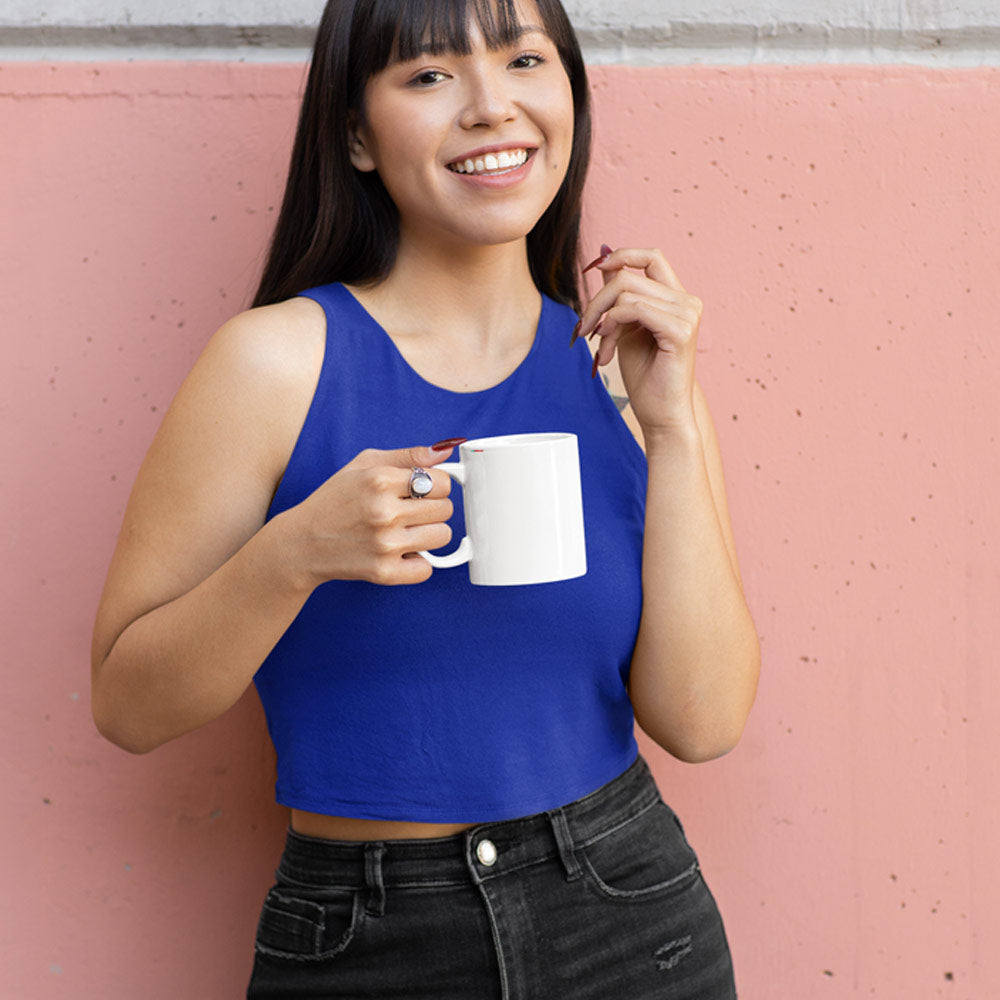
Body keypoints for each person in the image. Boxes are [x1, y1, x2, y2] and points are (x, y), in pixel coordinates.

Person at [90, 0, 761, 996]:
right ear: (355, 134)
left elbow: (700, 721)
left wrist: (673, 424)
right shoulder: (273, 364)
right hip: (367, 934)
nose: (493, 106)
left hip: (628, 912)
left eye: (525, 59)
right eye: (430, 75)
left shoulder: (624, 371)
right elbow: (126, 704)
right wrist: (294, 554)